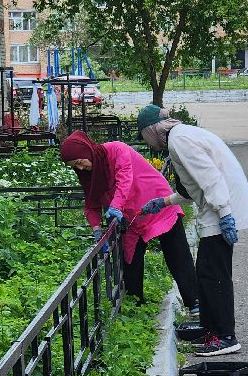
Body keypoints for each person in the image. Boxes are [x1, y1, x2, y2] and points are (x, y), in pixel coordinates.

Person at [137, 105, 248, 357]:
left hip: (222, 206)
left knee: (214, 274)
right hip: (218, 204)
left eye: (143, 135)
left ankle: (225, 336)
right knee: (206, 273)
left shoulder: (179, 141)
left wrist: (225, 214)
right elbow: (192, 189)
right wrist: (164, 202)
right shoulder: (180, 137)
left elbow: (210, 178)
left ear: (150, 130)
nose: (145, 142)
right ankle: (210, 330)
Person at [60, 130, 198, 311]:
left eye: (79, 162)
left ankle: (194, 301)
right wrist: (96, 230)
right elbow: (91, 203)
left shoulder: (117, 150)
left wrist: (115, 206)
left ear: (87, 151)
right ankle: (136, 305)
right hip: (131, 218)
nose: (80, 168)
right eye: (74, 166)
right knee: (131, 261)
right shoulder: (88, 174)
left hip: (156, 203)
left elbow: (125, 179)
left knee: (177, 254)